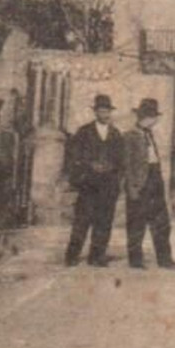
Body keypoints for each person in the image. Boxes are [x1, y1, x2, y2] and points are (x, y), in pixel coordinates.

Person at [122, 98, 175, 271]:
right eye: (154, 116)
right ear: (146, 117)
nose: (156, 120)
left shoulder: (150, 134)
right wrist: (132, 188)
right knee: (136, 223)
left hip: (155, 181)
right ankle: (136, 261)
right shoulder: (130, 136)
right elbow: (127, 164)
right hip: (140, 184)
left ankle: (165, 260)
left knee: (162, 223)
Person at [64, 94, 124, 267]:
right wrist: (90, 165)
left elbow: (121, 159)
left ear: (110, 112)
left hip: (108, 185)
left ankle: (97, 256)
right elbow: (74, 155)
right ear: (95, 112)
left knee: (104, 221)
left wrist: (113, 169)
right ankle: (72, 255)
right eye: (101, 111)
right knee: (82, 221)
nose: (104, 114)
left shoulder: (115, 133)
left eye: (107, 111)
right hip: (88, 184)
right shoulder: (84, 132)